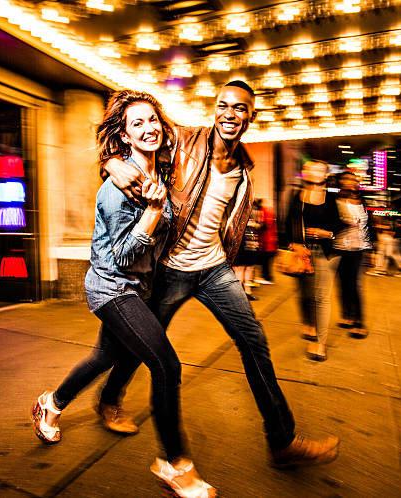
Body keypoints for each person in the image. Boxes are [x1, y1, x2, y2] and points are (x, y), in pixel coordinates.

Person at [104, 81, 339, 472]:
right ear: (215, 110)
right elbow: (128, 142)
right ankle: (110, 398)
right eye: (223, 105)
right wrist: (112, 162)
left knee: (254, 341)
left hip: (213, 269)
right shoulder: (181, 140)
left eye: (240, 108)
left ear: (251, 116)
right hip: (171, 269)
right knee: (143, 345)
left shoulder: (244, 168)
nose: (230, 113)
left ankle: (282, 442)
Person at [31, 90, 216, 497]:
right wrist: (151, 212)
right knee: (167, 366)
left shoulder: (159, 174)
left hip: (139, 288)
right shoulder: (117, 190)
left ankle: (52, 403)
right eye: (137, 124)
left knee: (104, 356)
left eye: (153, 119)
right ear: (125, 137)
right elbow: (123, 255)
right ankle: (174, 463)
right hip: (113, 287)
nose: (148, 128)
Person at [285, 160, 344, 361]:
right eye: (311, 169)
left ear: (325, 174)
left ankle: (319, 343)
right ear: (305, 172)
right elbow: (289, 221)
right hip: (304, 253)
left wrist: (326, 233)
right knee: (306, 294)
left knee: (321, 298)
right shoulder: (297, 196)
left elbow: (340, 224)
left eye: (320, 170)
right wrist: (294, 244)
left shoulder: (332, 197)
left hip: (326, 253)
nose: (316, 172)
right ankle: (309, 323)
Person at [334, 171, 373, 338]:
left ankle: (359, 322)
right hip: (339, 247)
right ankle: (346, 316)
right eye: (346, 179)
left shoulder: (362, 201)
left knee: (354, 285)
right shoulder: (334, 201)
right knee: (342, 284)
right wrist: (343, 223)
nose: (350, 182)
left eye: (353, 180)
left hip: (359, 248)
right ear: (340, 182)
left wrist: (372, 249)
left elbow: (369, 225)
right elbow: (330, 222)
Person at [233, 198, 262, 300]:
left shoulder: (254, 208)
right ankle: (239, 293)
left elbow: (259, 224)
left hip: (251, 240)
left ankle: (247, 291)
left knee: (249, 267)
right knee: (241, 268)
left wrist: (255, 224)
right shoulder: (238, 207)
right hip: (242, 240)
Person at [257, 198, 278, 284]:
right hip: (271, 239)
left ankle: (267, 278)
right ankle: (267, 277)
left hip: (266, 240)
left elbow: (266, 224)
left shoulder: (264, 210)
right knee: (267, 260)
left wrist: (257, 226)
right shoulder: (270, 210)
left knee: (265, 260)